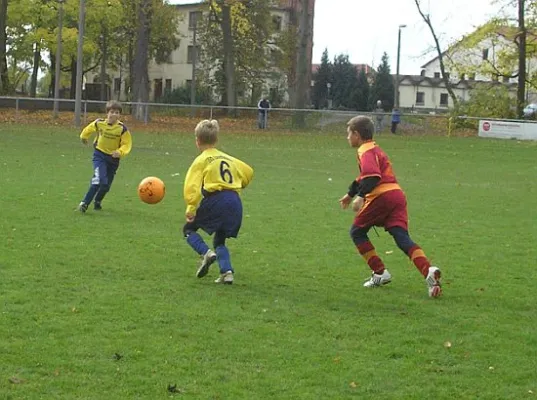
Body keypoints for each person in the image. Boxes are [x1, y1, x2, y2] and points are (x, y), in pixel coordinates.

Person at [338, 115, 442, 297]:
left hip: (381, 197)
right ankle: (429, 273)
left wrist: (360, 196)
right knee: (402, 238)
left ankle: (380, 272)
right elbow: (363, 177)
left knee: (357, 232)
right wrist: (350, 193)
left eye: (348, 133)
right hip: (397, 196)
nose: (347, 137)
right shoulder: (375, 149)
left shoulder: (365, 151)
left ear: (356, 134)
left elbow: (372, 176)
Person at [183, 119, 254, 284]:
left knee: (188, 229)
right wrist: (238, 184)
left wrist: (191, 207)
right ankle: (227, 272)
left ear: (197, 141)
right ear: (216, 140)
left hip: (216, 199)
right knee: (220, 239)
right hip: (235, 202)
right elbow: (248, 171)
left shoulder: (201, 160)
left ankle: (205, 253)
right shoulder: (227, 158)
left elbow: (191, 186)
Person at [77, 100, 132, 213]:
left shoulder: (122, 129)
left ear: (119, 115)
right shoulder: (99, 123)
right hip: (100, 155)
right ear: (107, 113)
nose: (114, 115)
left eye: (117, 112)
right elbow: (88, 129)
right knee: (99, 179)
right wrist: (84, 137)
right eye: (112, 112)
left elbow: (127, 144)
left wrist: (120, 152)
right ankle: (84, 203)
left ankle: (97, 201)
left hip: (113, 159)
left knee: (106, 185)